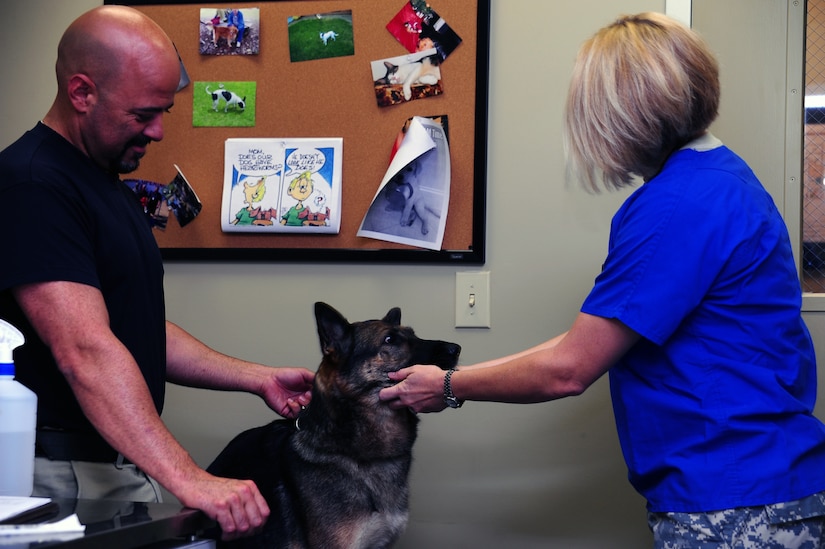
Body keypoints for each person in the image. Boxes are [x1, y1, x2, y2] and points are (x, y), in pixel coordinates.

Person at [379, 12, 825, 548]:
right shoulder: (719, 179)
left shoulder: (675, 205)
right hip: (760, 487)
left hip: (735, 499)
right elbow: (588, 342)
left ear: (627, 113)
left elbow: (569, 370)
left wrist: (448, 387)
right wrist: (451, 377)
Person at [0, 5, 314, 540]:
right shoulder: (34, 184)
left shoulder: (102, 182)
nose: (160, 130)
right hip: (52, 470)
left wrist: (256, 378)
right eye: (143, 113)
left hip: (111, 459)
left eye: (165, 110)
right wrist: (190, 477)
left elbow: (133, 329)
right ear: (82, 93)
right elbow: (86, 350)